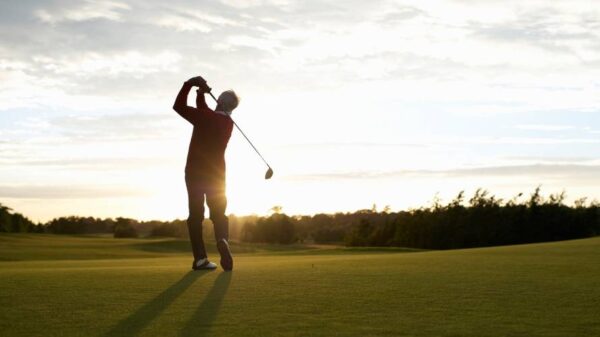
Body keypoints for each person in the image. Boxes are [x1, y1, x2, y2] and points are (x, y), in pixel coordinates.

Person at [172, 75, 239, 271]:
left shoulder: (205, 118)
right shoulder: (228, 124)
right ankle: (222, 239)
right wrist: (200, 93)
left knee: (195, 216)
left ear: (219, 101)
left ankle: (200, 259)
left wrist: (188, 84)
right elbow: (205, 111)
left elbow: (178, 106)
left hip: (194, 172)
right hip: (217, 175)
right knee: (219, 214)